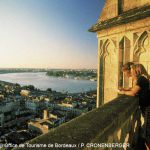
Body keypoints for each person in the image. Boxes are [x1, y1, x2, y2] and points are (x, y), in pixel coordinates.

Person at [118, 63, 150, 149]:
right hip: (146, 108)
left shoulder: (141, 79)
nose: (131, 73)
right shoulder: (143, 79)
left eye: (132, 70)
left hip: (148, 109)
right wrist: (125, 89)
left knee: (147, 135)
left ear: (136, 71)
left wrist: (123, 92)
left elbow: (133, 93)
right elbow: (134, 88)